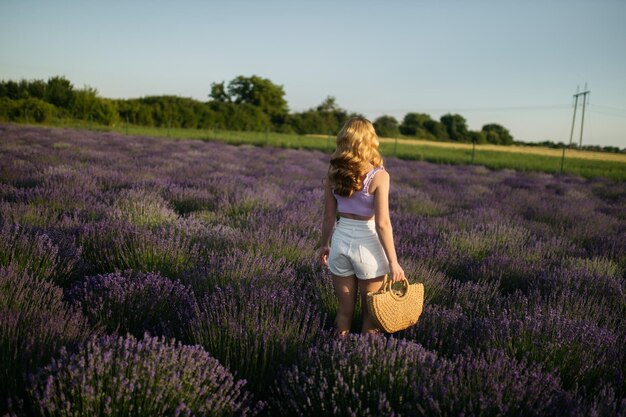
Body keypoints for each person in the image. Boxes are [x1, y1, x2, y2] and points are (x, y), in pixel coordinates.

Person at [318, 117, 406, 336]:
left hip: (340, 243)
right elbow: (382, 224)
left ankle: (338, 355)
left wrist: (324, 245)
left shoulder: (333, 173)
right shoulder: (379, 176)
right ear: (369, 141)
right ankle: (361, 362)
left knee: (344, 311)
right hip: (368, 247)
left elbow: (328, 217)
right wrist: (394, 263)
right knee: (371, 316)